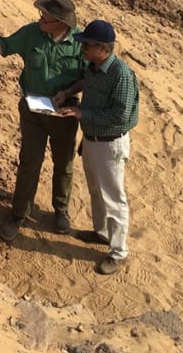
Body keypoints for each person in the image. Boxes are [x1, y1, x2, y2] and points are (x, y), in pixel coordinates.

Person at [0, 0, 86, 242]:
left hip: (64, 113)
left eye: (45, 17)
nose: (40, 19)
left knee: (64, 163)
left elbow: (88, 77)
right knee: (29, 163)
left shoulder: (80, 42)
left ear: (60, 22)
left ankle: (61, 211)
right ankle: (18, 214)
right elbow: (4, 45)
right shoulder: (32, 33)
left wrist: (67, 93)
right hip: (33, 112)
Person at [57, 20, 139, 275]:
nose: (82, 49)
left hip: (110, 145)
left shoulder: (121, 75)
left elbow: (121, 116)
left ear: (103, 48)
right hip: (92, 140)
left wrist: (83, 115)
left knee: (114, 199)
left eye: (87, 45)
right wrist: (69, 91)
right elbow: (85, 83)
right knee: (96, 191)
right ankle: (101, 233)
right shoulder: (94, 67)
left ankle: (118, 252)